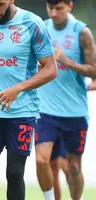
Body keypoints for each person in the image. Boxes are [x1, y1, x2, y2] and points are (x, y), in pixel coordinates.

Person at [0, 0, 58, 199]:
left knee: (15, 173)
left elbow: (51, 69)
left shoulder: (32, 23)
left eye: (0, 4)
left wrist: (18, 88)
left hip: (22, 111)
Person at [34, 1, 96, 200]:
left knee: (73, 167)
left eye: (58, 8)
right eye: (49, 8)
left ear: (70, 6)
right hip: (45, 110)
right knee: (42, 160)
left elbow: (94, 70)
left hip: (74, 112)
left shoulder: (81, 32)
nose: (53, 13)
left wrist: (66, 61)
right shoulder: (41, 29)